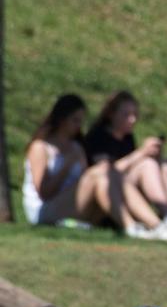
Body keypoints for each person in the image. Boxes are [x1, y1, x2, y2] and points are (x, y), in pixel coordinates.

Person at [85, 91, 167, 242]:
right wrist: (141, 153)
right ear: (111, 114)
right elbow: (105, 172)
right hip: (102, 198)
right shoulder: (97, 136)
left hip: (125, 191)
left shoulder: (127, 138)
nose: (132, 119)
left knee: (162, 165)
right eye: (126, 114)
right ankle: (165, 220)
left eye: (135, 114)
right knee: (146, 164)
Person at [22, 94, 138, 233]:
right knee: (101, 171)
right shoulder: (40, 147)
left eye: (81, 121)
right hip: (44, 211)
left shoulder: (77, 147)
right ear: (61, 119)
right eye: (75, 120)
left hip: (73, 206)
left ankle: (151, 225)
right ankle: (131, 227)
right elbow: (44, 192)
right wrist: (67, 164)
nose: (78, 126)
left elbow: (85, 183)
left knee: (107, 175)